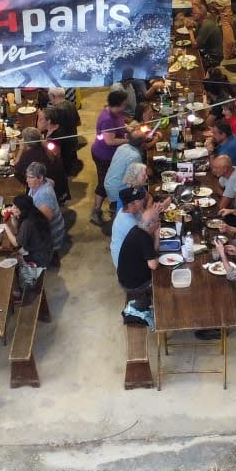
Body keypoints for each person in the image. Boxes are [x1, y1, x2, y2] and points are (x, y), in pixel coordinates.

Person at [116, 191, 162, 327]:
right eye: (158, 221)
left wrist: (157, 235)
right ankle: (139, 308)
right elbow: (153, 265)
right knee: (162, 281)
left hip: (125, 276)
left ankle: (141, 304)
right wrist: (161, 259)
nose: (159, 224)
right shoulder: (144, 237)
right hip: (132, 284)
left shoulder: (138, 229)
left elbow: (153, 251)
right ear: (151, 224)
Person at [90, 90, 131, 223]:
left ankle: (113, 205)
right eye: (124, 104)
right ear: (117, 104)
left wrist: (128, 128)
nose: (126, 106)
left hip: (111, 154)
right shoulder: (108, 119)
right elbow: (109, 141)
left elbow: (120, 124)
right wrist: (129, 140)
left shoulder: (116, 112)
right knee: (104, 183)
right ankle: (96, 211)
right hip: (103, 155)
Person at [103, 126, 148, 207]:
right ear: (142, 144)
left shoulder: (122, 147)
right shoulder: (135, 156)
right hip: (118, 189)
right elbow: (135, 180)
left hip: (109, 183)